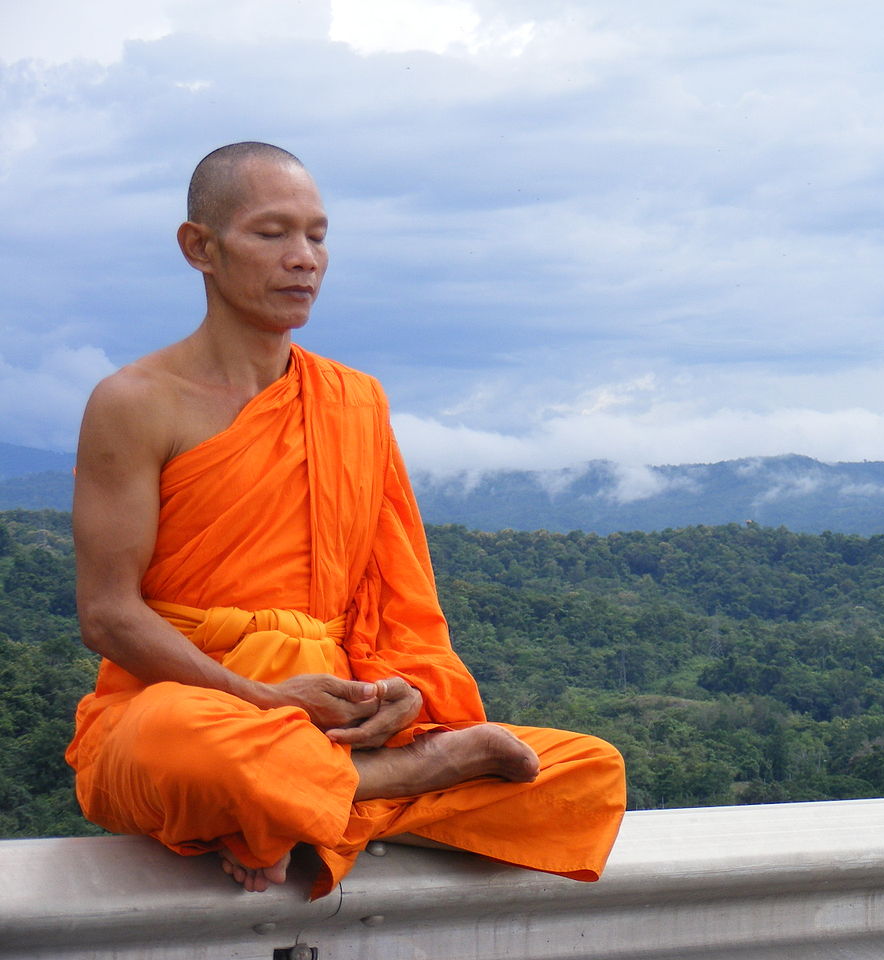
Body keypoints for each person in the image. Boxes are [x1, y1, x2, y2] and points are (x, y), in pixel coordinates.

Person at [65, 142, 626, 898]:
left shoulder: (353, 402)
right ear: (200, 246)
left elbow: (390, 597)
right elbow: (108, 616)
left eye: (318, 236)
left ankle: (287, 804)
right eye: (272, 234)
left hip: (328, 716)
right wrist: (262, 697)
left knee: (589, 768)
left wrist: (402, 696)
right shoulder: (135, 402)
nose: (304, 259)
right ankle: (377, 783)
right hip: (188, 706)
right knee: (190, 747)